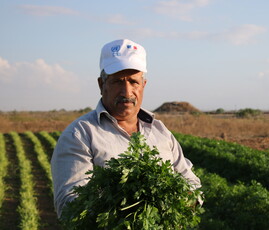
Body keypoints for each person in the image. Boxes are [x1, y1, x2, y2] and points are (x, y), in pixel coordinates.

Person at [50, 39, 202, 218]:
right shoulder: (80, 134)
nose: (127, 92)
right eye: (117, 82)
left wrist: (182, 202)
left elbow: (191, 183)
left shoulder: (161, 132)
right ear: (101, 85)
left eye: (133, 82)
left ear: (143, 85)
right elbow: (69, 204)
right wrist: (131, 213)